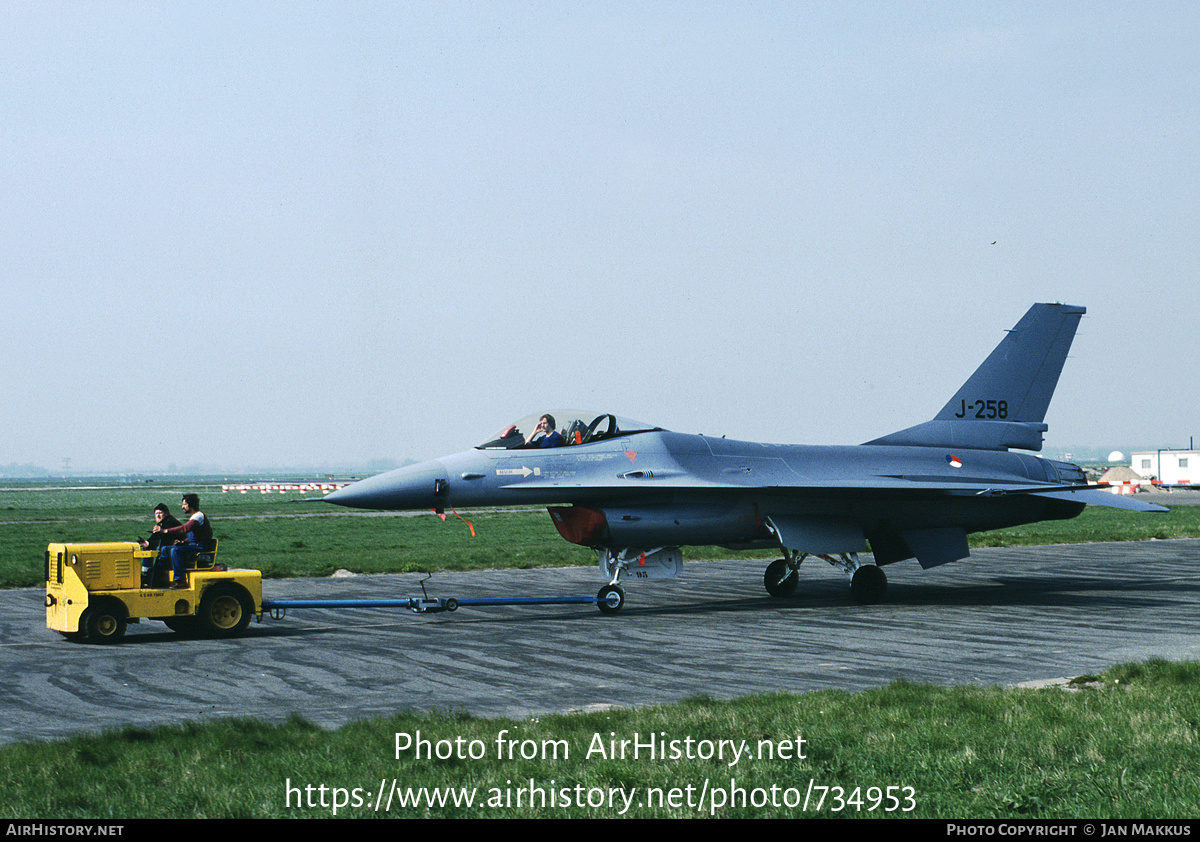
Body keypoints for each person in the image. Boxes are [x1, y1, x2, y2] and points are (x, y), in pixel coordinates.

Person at [154, 494, 214, 589]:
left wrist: (165, 530)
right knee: (165, 549)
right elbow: (194, 536)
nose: (182, 507)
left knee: (175, 550)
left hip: (201, 547)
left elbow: (185, 529)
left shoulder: (198, 516)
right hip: (195, 545)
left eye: (184, 504)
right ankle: (160, 576)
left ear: (190, 505)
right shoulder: (194, 517)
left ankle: (180, 581)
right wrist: (183, 542)